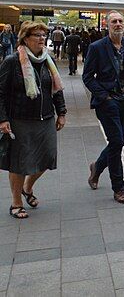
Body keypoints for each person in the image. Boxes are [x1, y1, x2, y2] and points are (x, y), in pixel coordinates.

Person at [0, 21, 67, 219]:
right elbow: (1, 92)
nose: (41, 39)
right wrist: (2, 119)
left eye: (43, 35)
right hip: (20, 119)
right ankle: (16, 202)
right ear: (25, 38)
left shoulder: (48, 60)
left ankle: (27, 187)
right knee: (19, 163)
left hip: (45, 117)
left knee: (48, 157)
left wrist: (61, 112)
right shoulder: (12, 61)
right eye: (36, 35)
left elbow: (56, 89)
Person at [82, 10, 124, 205]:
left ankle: (97, 166)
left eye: (121, 21)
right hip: (107, 103)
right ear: (107, 25)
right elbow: (87, 77)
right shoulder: (97, 47)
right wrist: (104, 97)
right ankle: (119, 188)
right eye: (114, 21)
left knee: (119, 142)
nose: (118, 24)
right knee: (116, 141)